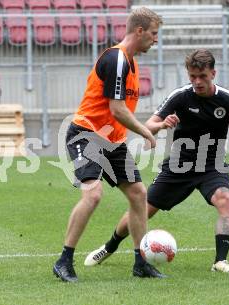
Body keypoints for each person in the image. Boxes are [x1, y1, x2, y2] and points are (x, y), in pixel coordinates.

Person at [84, 49, 229, 274]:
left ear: (213, 73)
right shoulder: (180, 96)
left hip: (212, 165)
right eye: (192, 76)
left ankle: (220, 261)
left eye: (202, 76)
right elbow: (148, 125)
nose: (197, 82)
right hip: (179, 166)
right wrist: (162, 124)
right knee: (142, 209)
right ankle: (109, 246)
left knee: (225, 200)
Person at [52, 7, 166, 283]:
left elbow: (118, 114)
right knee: (93, 195)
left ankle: (141, 262)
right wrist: (145, 133)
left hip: (112, 141)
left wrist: (151, 127)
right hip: (86, 134)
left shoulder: (131, 63)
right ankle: (64, 261)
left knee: (139, 194)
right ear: (139, 31)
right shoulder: (116, 59)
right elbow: (116, 109)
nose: (155, 39)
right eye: (153, 34)